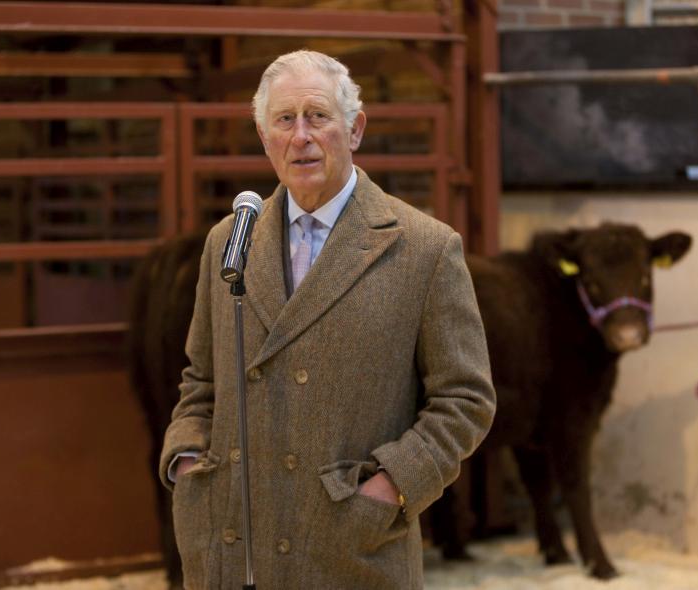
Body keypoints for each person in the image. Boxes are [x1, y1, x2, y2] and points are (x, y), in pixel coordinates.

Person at [159, 50, 495, 590]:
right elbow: (200, 380)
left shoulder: (425, 249)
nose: (301, 136)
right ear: (264, 137)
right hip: (233, 546)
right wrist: (189, 461)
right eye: (284, 120)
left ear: (354, 128)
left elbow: (466, 400)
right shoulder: (229, 241)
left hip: (348, 552)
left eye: (317, 116)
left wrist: (391, 486)